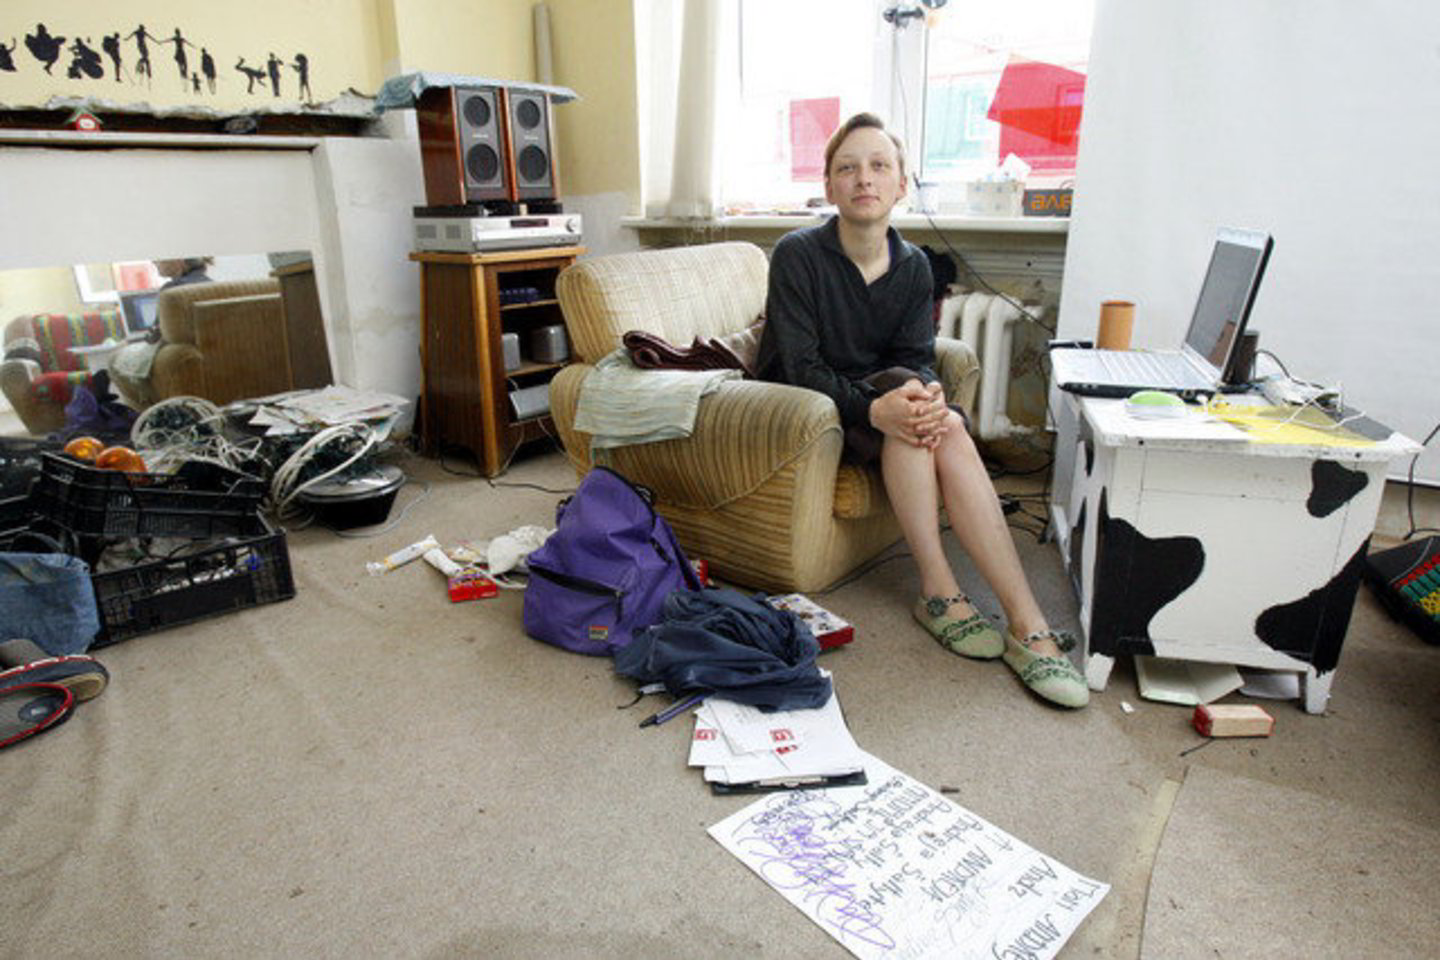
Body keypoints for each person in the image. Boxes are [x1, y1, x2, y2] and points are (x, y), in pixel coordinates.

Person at [753, 113, 1088, 708]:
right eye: (847, 168)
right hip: (807, 409)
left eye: (879, 166)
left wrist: (926, 395)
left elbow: (914, 359)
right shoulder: (797, 254)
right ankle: (946, 593)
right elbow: (800, 369)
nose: (864, 178)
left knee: (941, 420)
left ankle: (1024, 621)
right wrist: (876, 409)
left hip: (877, 402)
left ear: (901, 185)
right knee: (913, 418)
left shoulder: (912, 266)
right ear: (829, 186)